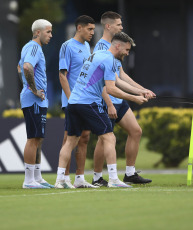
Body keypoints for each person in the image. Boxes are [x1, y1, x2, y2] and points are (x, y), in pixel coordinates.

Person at [55, 32, 149, 189]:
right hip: (88, 103)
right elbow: (111, 89)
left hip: (73, 103)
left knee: (71, 140)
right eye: (126, 50)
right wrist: (135, 99)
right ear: (117, 46)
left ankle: (60, 180)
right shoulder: (110, 60)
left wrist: (140, 91)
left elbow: (116, 80)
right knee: (109, 138)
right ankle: (113, 179)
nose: (127, 53)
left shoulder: (97, 54)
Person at [91, 12, 155, 186]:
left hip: (120, 100)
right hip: (108, 101)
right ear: (108, 26)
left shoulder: (117, 46)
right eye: (119, 25)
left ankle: (130, 173)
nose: (122, 27)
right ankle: (97, 177)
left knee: (136, 131)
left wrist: (142, 90)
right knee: (103, 139)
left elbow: (121, 75)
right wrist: (109, 103)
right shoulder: (101, 49)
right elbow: (102, 83)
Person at [58, 15, 97, 188]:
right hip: (72, 101)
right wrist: (72, 98)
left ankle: (79, 178)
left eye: (93, 29)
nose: (92, 33)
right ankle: (64, 178)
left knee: (85, 138)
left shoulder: (87, 46)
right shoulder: (67, 46)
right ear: (79, 28)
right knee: (70, 139)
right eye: (89, 29)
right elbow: (62, 75)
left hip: (85, 100)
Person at [18, 19, 53, 189]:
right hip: (34, 100)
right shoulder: (33, 47)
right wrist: (33, 89)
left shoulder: (30, 47)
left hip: (37, 100)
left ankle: (37, 177)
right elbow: (26, 67)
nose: (51, 35)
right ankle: (28, 180)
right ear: (38, 32)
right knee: (33, 138)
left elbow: (19, 68)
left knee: (38, 138)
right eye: (48, 32)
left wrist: (28, 86)